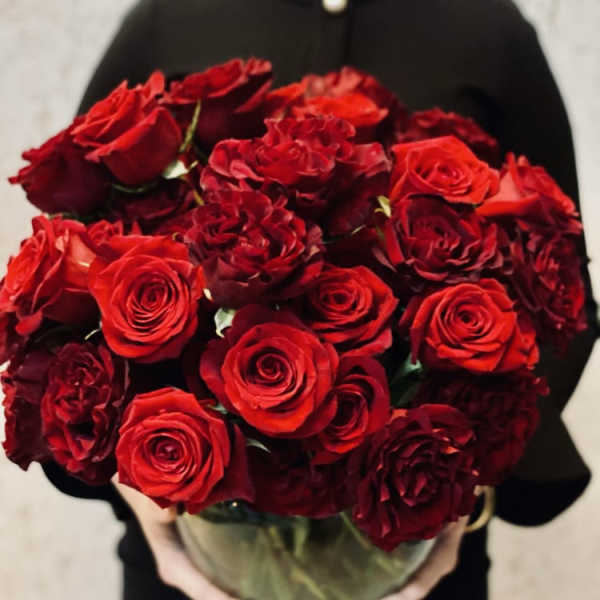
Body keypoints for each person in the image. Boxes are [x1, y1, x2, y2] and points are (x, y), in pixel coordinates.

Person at [42, 1, 598, 598]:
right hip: (191, 564)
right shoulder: (171, 18)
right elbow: (78, 263)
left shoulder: (488, 28)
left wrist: (470, 493)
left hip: (417, 557)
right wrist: (143, 499)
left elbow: (562, 286)